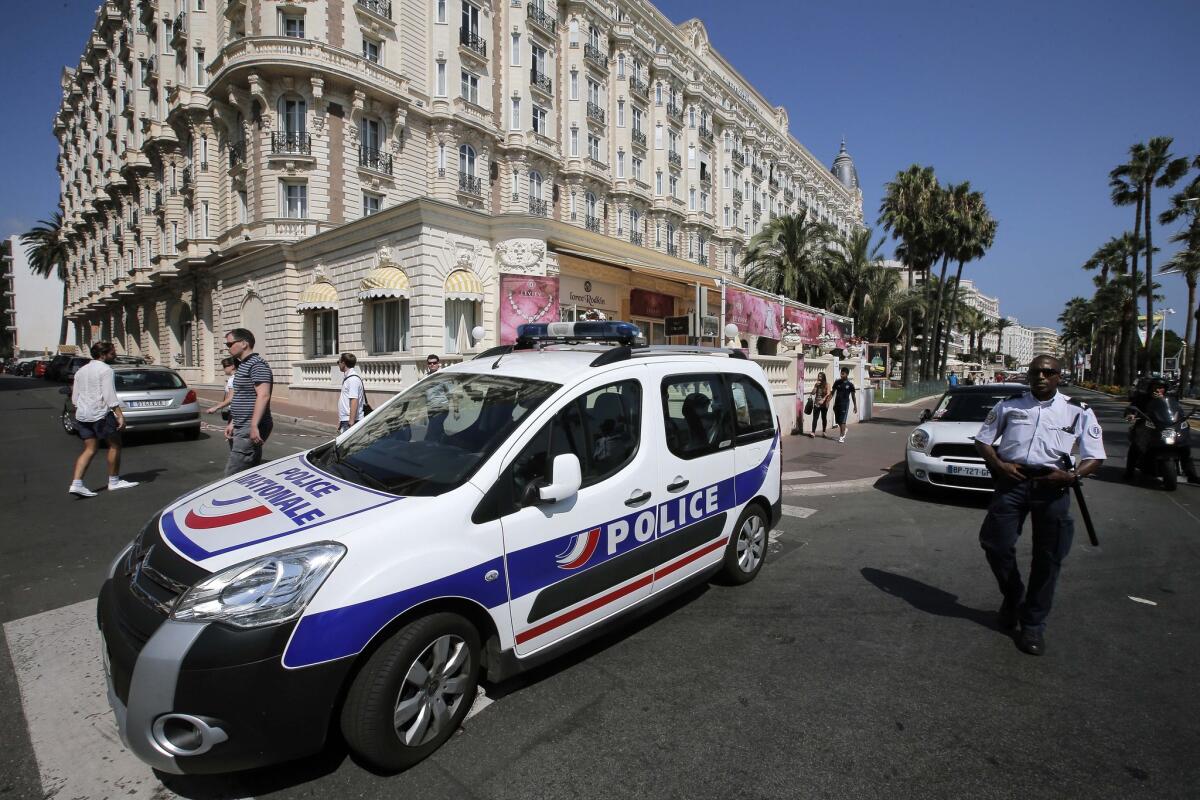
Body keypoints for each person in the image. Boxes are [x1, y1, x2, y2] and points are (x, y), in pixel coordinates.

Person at [972, 354, 1106, 656]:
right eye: (1036, 372)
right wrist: (999, 464)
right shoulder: (1010, 405)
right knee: (994, 543)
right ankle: (1014, 594)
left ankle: (1032, 624)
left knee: (1049, 557)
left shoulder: (1077, 411)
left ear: (1059, 376)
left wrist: (1071, 476)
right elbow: (983, 440)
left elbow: (1094, 456)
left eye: (1048, 372)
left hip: (1053, 485)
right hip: (1013, 480)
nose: (1041, 377)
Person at [69, 341, 139, 496]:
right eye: (112, 352)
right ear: (103, 354)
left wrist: (80, 407)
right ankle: (114, 481)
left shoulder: (81, 371)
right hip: (101, 414)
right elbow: (109, 395)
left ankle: (77, 483)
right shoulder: (106, 370)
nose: (115, 355)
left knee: (90, 449)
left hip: (83, 415)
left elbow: (75, 397)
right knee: (115, 445)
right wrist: (120, 415)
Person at [1123, 378, 1200, 484]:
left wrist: (1179, 417)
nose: (1158, 390)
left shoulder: (1170, 399)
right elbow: (1132, 408)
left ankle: (1192, 475)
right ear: (1150, 388)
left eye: (1161, 388)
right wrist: (1131, 414)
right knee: (1136, 445)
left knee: (1184, 448)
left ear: (1165, 389)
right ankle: (1129, 471)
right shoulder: (1142, 398)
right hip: (1147, 425)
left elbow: (1178, 411)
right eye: (1155, 387)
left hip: (1167, 426)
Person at [223, 328, 274, 477]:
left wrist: (253, 425)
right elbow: (241, 396)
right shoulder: (244, 365)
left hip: (250, 424)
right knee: (248, 472)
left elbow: (263, 395)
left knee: (232, 475)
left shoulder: (257, 364)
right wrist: (233, 422)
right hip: (242, 423)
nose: (228, 348)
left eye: (230, 344)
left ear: (244, 343)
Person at [338, 352, 366, 432]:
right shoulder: (348, 378)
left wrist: (351, 422)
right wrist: (340, 420)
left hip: (351, 421)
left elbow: (354, 400)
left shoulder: (353, 379)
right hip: (345, 420)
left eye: (338, 362)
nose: (338, 364)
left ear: (343, 363)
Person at [830, 367, 858, 443]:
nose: (841, 375)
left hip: (845, 404)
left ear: (847, 374)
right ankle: (845, 429)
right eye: (841, 373)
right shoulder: (837, 382)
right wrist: (828, 400)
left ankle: (841, 436)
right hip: (837, 403)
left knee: (842, 420)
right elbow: (833, 392)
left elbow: (853, 396)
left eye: (843, 374)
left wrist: (855, 406)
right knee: (838, 420)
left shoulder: (850, 385)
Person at [807, 372, 830, 438]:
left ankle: (824, 431)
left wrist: (823, 400)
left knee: (824, 418)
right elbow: (813, 393)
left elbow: (828, 393)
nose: (819, 378)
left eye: (820, 377)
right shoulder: (817, 384)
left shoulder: (827, 384)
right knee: (815, 418)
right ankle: (813, 432)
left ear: (823, 378)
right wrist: (815, 386)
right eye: (818, 376)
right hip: (817, 403)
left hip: (824, 404)